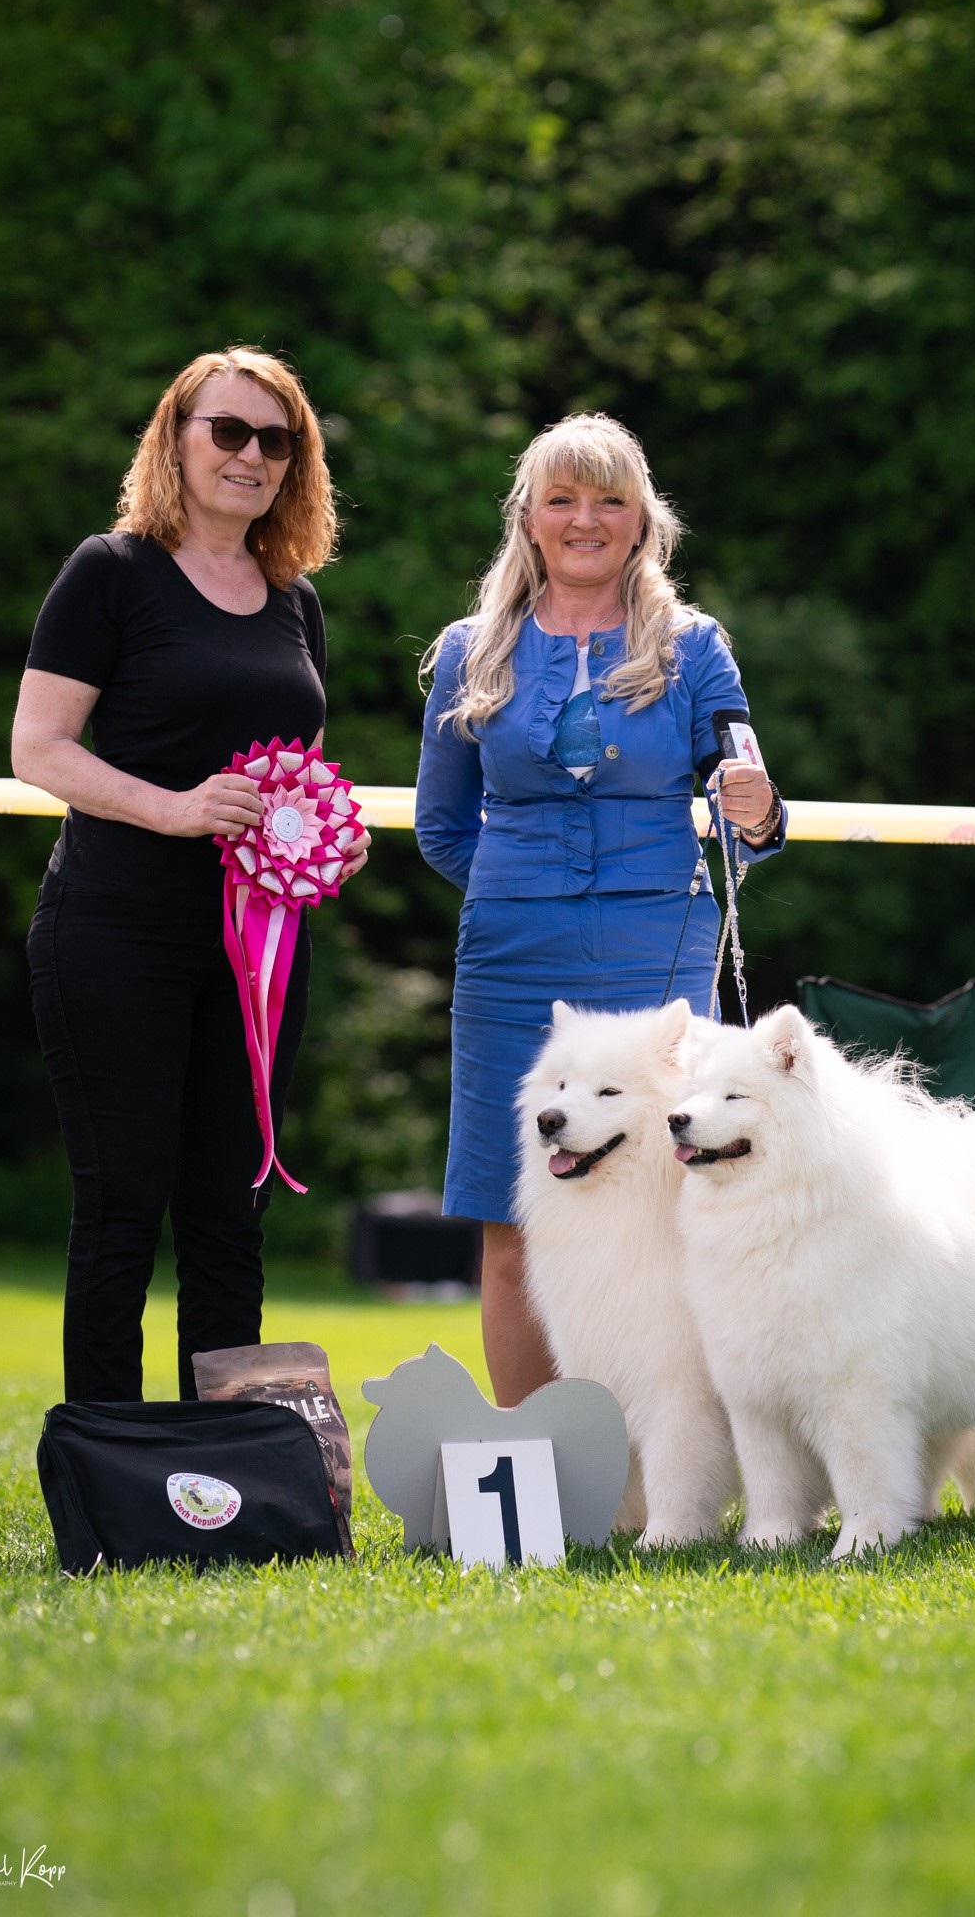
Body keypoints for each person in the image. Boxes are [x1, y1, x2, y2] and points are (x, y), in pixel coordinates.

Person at [11, 347, 371, 1402]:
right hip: (116, 929)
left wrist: (330, 838)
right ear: (175, 438)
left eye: (278, 439)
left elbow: (300, 772)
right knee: (121, 1208)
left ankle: (226, 1466)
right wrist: (173, 809)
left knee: (230, 1210)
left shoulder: (295, 600)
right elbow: (38, 747)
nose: (252, 455)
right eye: (229, 430)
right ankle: (107, 1457)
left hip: (258, 950)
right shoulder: (110, 570)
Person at [415, 412, 785, 1405]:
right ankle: (538, 1457)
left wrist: (756, 809)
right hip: (509, 960)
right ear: (529, 517)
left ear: (642, 521)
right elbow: (442, 826)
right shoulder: (468, 651)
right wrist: (520, 883)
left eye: (610, 499)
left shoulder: (695, 648)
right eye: (563, 499)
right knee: (512, 1220)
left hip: (656, 957)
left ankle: (666, 1454)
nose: (586, 519)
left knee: (672, 1207)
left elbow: (748, 802)